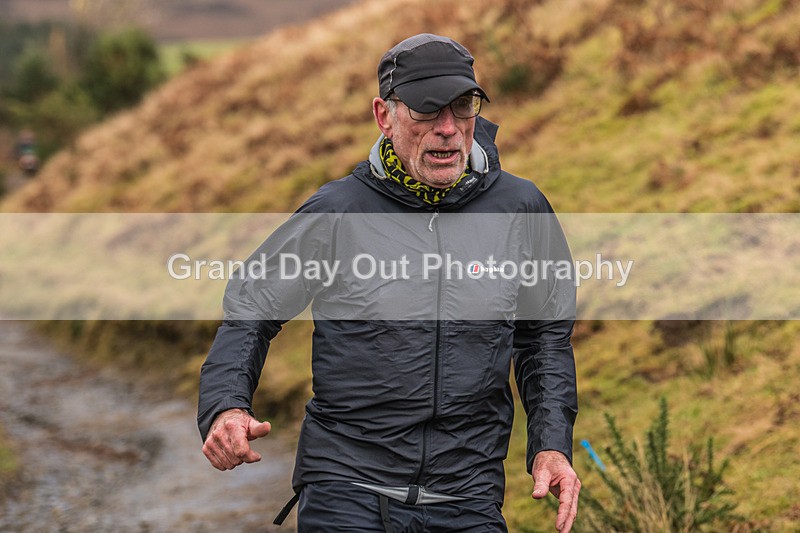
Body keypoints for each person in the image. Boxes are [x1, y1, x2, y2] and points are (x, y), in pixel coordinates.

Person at [198, 33, 580, 532]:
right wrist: (227, 404)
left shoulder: (520, 209)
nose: (447, 129)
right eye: (426, 111)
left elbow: (543, 337)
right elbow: (252, 306)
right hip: (347, 490)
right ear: (385, 115)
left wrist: (550, 444)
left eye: (462, 107)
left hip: (468, 496)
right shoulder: (337, 212)